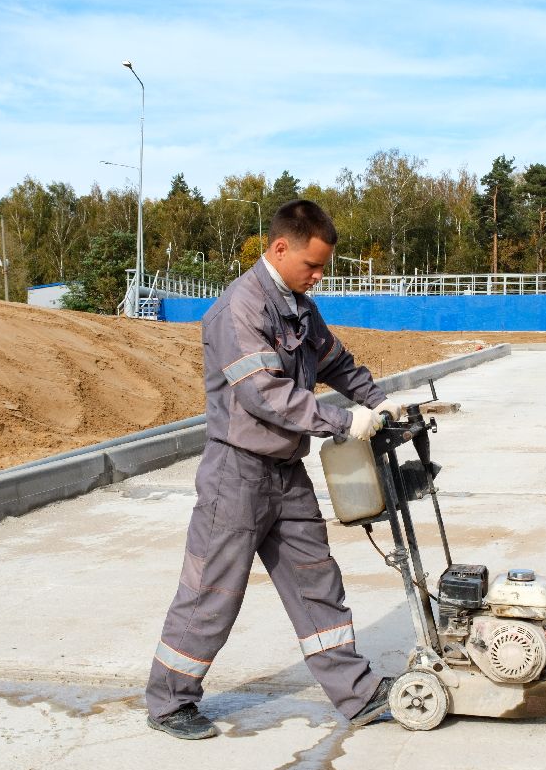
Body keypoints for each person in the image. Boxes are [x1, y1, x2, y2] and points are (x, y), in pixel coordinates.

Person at [145, 199, 393, 740]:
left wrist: (381, 406)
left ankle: (359, 694)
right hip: (236, 474)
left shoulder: (298, 304)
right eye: (313, 265)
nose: (320, 276)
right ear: (280, 248)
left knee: (317, 582)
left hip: (286, 472)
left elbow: (334, 362)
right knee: (212, 591)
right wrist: (340, 422)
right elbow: (264, 395)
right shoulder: (240, 309)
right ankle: (169, 702)